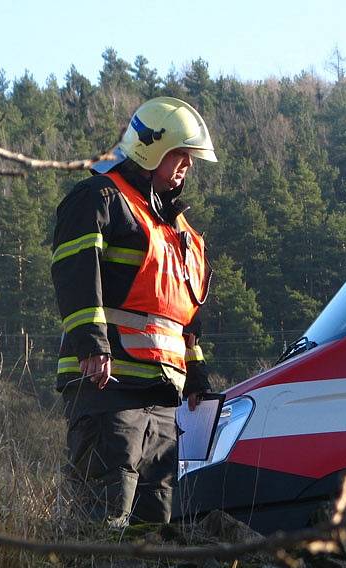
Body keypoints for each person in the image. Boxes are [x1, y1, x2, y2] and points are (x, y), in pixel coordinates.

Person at [51, 97, 217, 526]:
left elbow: (181, 315)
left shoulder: (176, 230)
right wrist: (92, 345)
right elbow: (75, 273)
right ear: (151, 149)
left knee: (154, 520)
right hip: (108, 384)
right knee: (105, 512)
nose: (188, 166)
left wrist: (195, 373)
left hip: (162, 395)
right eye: (181, 154)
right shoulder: (98, 198)